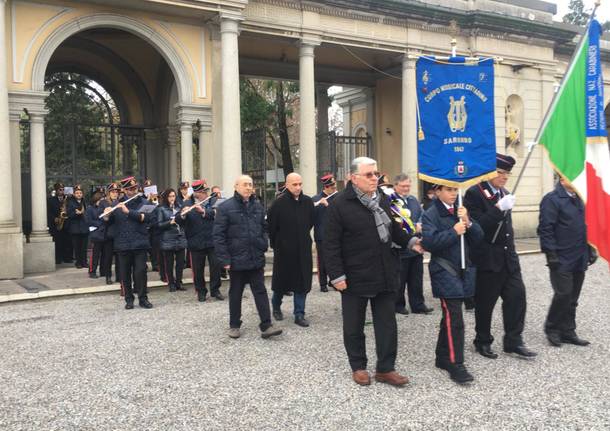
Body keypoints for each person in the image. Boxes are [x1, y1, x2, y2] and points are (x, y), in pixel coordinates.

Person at [324, 157, 421, 387]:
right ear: (353, 177)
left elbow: (394, 228)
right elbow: (330, 244)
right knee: (354, 324)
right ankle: (358, 366)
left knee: (387, 324)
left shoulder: (383, 199)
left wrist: (410, 242)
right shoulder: (340, 204)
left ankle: (385, 369)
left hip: (385, 271)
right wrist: (337, 276)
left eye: (376, 173)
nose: (374, 178)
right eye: (369, 174)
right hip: (354, 275)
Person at [463, 153, 537, 359]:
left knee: (517, 298)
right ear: (489, 172)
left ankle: (513, 341)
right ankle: (482, 340)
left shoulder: (504, 193)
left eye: (507, 173)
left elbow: (507, 230)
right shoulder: (474, 193)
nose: (505, 177)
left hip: (508, 259)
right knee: (485, 303)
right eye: (501, 172)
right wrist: (497, 209)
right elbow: (477, 228)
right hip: (488, 258)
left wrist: (513, 255)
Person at [422, 184, 483, 384]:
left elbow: (479, 238)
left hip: (463, 270)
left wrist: (468, 222)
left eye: (455, 190)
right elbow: (430, 243)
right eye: (449, 190)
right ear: (437, 192)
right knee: (455, 318)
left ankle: (442, 356)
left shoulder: (460, 211)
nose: (454, 194)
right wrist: (454, 231)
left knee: (449, 317)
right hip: (444, 270)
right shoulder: (431, 214)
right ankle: (456, 364)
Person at [213, 175, 282, 340]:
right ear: (236, 186)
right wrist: (225, 260)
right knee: (235, 293)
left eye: (251, 185)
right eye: (245, 184)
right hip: (236, 260)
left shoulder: (257, 206)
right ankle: (234, 325)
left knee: (260, 292)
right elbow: (218, 236)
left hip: (255, 258)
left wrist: (262, 244)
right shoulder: (225, 207)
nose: (249, 187)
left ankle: (266, 325)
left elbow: (264, 228)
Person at [538, 177, 597, 347]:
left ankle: (568, 330)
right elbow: (545, 228)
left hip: (579, 255)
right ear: (562, 179)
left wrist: (590, 248)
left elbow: (585, 226)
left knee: (573, 297)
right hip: (561, 256)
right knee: (563, 293)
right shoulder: (552, 199)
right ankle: (552, 328)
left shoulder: (579, 198)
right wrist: (550, 253)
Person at [268, 172, 315, 327]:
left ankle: (299, 314)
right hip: (284, 251)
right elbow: (272, 228)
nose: (298, 187)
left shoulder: (307, 202)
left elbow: (310, 223)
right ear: (287, 184)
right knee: (281, 283)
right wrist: (278, 245)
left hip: (303, 250)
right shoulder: (278, 204)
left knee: (302, 283)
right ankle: (276, 306)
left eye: (300, 184)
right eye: (294, 184)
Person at [103, 176, 154, 309]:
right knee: (125, 274)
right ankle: (129, 300)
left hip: (140, 243)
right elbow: (109, 224)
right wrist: (107, 215)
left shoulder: (145, 202)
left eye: (135, 188)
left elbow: (147, 218)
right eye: (131, 189)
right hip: (123, 244)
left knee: (140, 272)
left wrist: (128, 212)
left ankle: (143, 298)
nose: (134, 190)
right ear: (125, 190)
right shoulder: (116, 204)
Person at [392, 173, 433, 315]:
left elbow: (422, 215)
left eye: (408, 186)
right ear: (395, 186)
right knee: (400, 279)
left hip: (416, 246)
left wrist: (421, 224)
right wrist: (414, 226)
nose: (406, 189)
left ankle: (418, 305)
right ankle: (398, 305)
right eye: (403, 186)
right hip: (401, 247)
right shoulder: (391, 202)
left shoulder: (413, 200)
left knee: (416, 278)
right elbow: (395, 223)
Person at [177, 180, 224, 301]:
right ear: (196, 193)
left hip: (213, 240)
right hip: (195, 241)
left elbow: (218, 214)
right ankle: (201, 291)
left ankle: (215, 290)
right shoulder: (187, 202)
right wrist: (183, 214)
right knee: (197, 269)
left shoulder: (213, 201)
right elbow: (178, 220)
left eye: (206, 191)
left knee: (216, 267)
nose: (205, 194)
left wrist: (203, 211)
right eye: (202, 192)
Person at [157, 188, 187, 292]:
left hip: (180, 237)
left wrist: (183, 217)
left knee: (180, 264)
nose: (172, 198)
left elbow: (184, 223)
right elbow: (159, 225)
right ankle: (171, 283)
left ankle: (179, 283)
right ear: (166, 197)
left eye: (173, 196)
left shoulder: (179, 207)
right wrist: (170, 222)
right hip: (168, 238)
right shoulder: (161, 209)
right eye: (170, 196)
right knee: (169, 264)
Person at [312, 174, 337, 292]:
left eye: (334, 185)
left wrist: (328, 205)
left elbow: (339, 214)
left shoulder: (336, 198)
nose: (334, 188)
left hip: (335, 234)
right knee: (322, 260)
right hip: (321, 235)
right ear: (326, 187)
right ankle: (322, 284)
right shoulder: (315, 199)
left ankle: (333, 281)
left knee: (334, 258)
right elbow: (311, 217)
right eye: (332, 186)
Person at [47, 182, 73, 264]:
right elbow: (48, 212)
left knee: (67, 242)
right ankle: (58, 258)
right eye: (60, 190)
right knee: (58, 242)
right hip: (56, 224)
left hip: (66, 224)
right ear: (56, 190)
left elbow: (71, 210)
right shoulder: (50, 200)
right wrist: (54, 218)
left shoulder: (68, 199)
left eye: (63, 189)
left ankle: (67, 258)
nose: (62, 191)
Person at [99, 182, 120, 284]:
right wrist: (106, 214)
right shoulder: (103, 203)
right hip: (109, 233)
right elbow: (101, 217)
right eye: (113, 192)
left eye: (116, 192)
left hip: (119, 233)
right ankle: (108, 276)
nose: (115, 194)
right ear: (108, 193)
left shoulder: (121, 202)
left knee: (120, 257)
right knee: (108, 256)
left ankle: (119, 276)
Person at [66, 185, 88, 268]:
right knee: (77, 247)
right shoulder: (70, 202)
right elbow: (69, 214)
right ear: (74, 194)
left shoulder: (85, 202)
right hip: (75, 229)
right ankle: (78, 263)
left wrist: (83, 213)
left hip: (84, 228)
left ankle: (84, 262)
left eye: (80, 193)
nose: (79, 194)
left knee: (84, 247)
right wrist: (76, 213)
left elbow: (87, 213)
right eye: (77, 193)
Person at [86, 191, 106, 278]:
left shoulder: (104, 208)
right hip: (95, 235)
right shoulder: (90, 208)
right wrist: (100, 224)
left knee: (104, 255)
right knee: (94, 255)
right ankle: (92, 271)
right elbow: (88, 221)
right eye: (101, 199)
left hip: (104, 234)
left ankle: (103, 271)